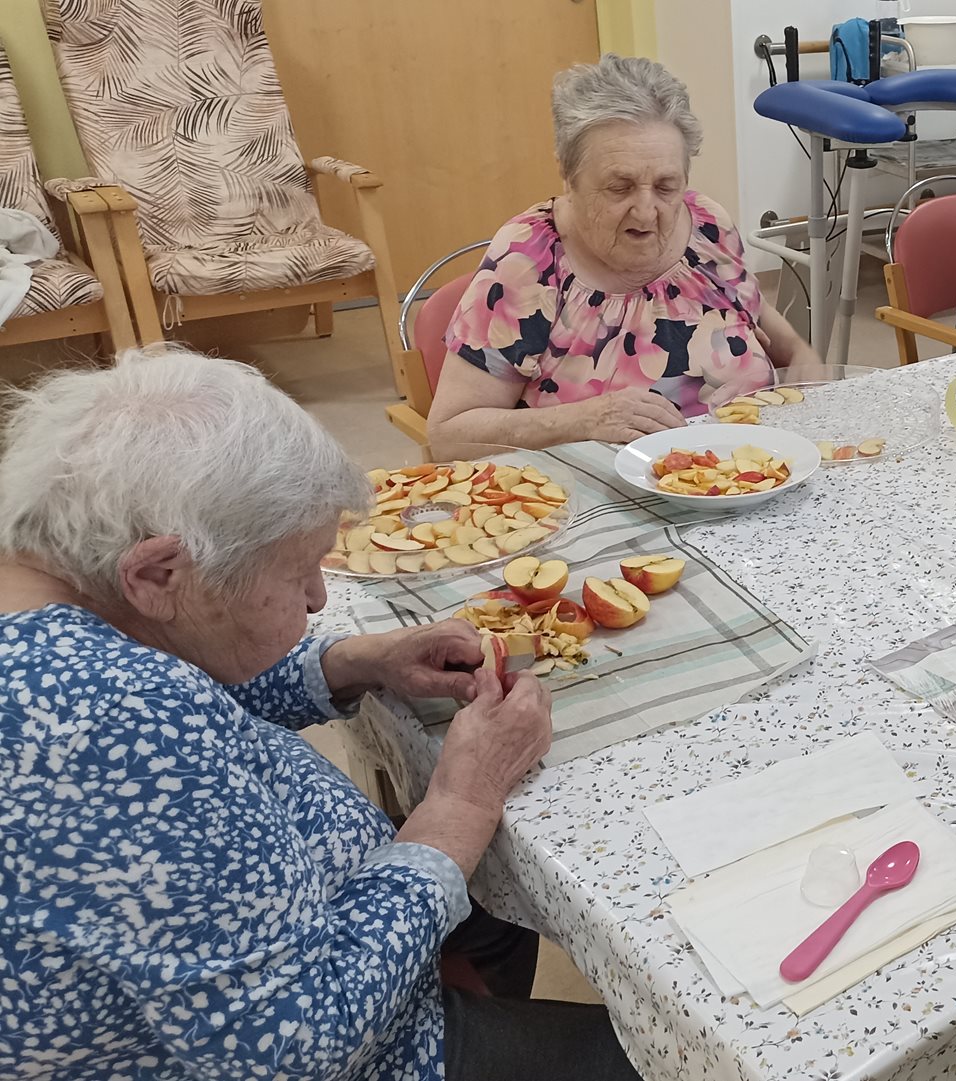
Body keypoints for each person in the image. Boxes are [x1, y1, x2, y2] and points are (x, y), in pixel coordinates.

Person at [0, 350, 641, 1081]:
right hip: (334, 1041)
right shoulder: (108, 717)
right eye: (295, 571)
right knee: (664, 1056)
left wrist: (353, 661)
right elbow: (298, 1047)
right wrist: (462, 802)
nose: (317, 599)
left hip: (298, 932)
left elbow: (186, 679)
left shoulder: (62, 601)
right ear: (157, 572)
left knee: (495, 909)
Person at [430, 55, 823, 449]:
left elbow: (760, 318)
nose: (647, 212)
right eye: (620, 188)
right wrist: (583, 420)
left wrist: (802, 359)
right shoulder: (526, 262)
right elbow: (448, 435)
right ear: (568, 175)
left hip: (753, 468)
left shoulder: (707, 225)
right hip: (604, 486)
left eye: (667, 186)